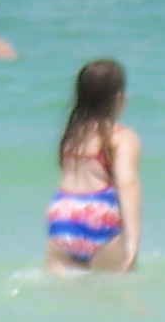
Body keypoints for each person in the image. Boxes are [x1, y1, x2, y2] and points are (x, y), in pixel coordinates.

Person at [46, 59, 140, 273]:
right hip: (99, 215)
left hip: (63, 214)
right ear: (119, 98)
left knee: (65, 290)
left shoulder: (72, 135)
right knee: (113, 290)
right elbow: (128, 184)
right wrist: (132, 242)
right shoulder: (120, 137)